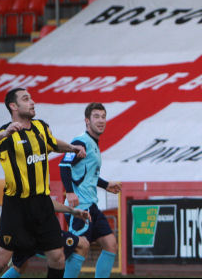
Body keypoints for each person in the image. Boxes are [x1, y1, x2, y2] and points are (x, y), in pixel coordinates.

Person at [0, 88, 87, 278]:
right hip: (17, 206)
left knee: (57, 257)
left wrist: (71, 147)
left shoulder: (40, 127)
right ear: (13, 106)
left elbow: (53, 143)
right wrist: (4, 133)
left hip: (42, 204)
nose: (32, 102)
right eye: (26, 99)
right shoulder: (6, 135)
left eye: (31, 98)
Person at [59, 102, 121, 278]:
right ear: (87, 121)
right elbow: (64, 165)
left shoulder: (93, 143)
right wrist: (70, 192)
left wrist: (105, 185)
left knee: (110, 243)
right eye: (96, 117)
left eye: (103, 117)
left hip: (91, 205)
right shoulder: (81, 142)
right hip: (80, 208)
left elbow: (87, 174)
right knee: (79, 248)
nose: (101, 120)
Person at [0, 199, 91, 278]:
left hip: (22, 229)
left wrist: (6, 224)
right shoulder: (31, 181)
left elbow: (44, 201)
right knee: (82, 245)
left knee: (19, 267)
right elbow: (44, 201)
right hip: (35, 230)